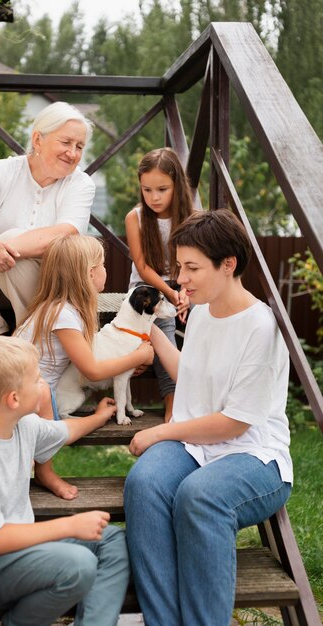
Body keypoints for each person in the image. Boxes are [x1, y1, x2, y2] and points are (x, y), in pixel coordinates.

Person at [124, 209, 293, 626]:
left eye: (192, 268)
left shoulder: (261, 326)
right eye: (180, 267)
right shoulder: (200, 312)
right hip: (197, 446)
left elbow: (236, 421)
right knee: (143, 484)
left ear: (228, 265)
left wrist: (160, 430)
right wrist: (150, 333)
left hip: (254, 455)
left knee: (199, 496)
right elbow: (192, 376)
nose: (181, 278)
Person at [0, 335, 130, 626]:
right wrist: (70, 524)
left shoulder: (21, 424)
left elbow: (65, 430)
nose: (44, 385)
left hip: (16, 551)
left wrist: (99, 416)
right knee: (79, 565)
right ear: (14, 399)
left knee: (112, 541)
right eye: (37, 379)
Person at [0, 101, 96, 336]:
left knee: (11, 238)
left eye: (79, 146)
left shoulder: (81, 183)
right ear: (38, 140)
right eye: (65, 142)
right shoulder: (4, 171)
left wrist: (0, 249)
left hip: (52, 289)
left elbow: (66, 233)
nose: (72, 153)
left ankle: (31, 334)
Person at [16, 233, 154, 499]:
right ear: (91, 273)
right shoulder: (64, 315)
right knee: (55, 418)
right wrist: (137, 357)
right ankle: (46, 470)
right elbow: (92, 370)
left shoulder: (54, 309)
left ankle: (39, 466)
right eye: (102, 265)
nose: (105, 270)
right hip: (26, 401)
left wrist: (124, 362)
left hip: (25, 398)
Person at [125, 147, 193, 421]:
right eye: (147, 190)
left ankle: (208, 396)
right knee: (164, 330)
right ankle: (172, 403)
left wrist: (186, 293)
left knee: (205, 317)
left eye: (162, 189)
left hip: (184, 283)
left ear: (177, 185)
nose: (154, 197)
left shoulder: (191, 216)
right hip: (149, 288)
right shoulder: (136, 218)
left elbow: (193, 263)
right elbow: (142, 267)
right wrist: (171, 294)